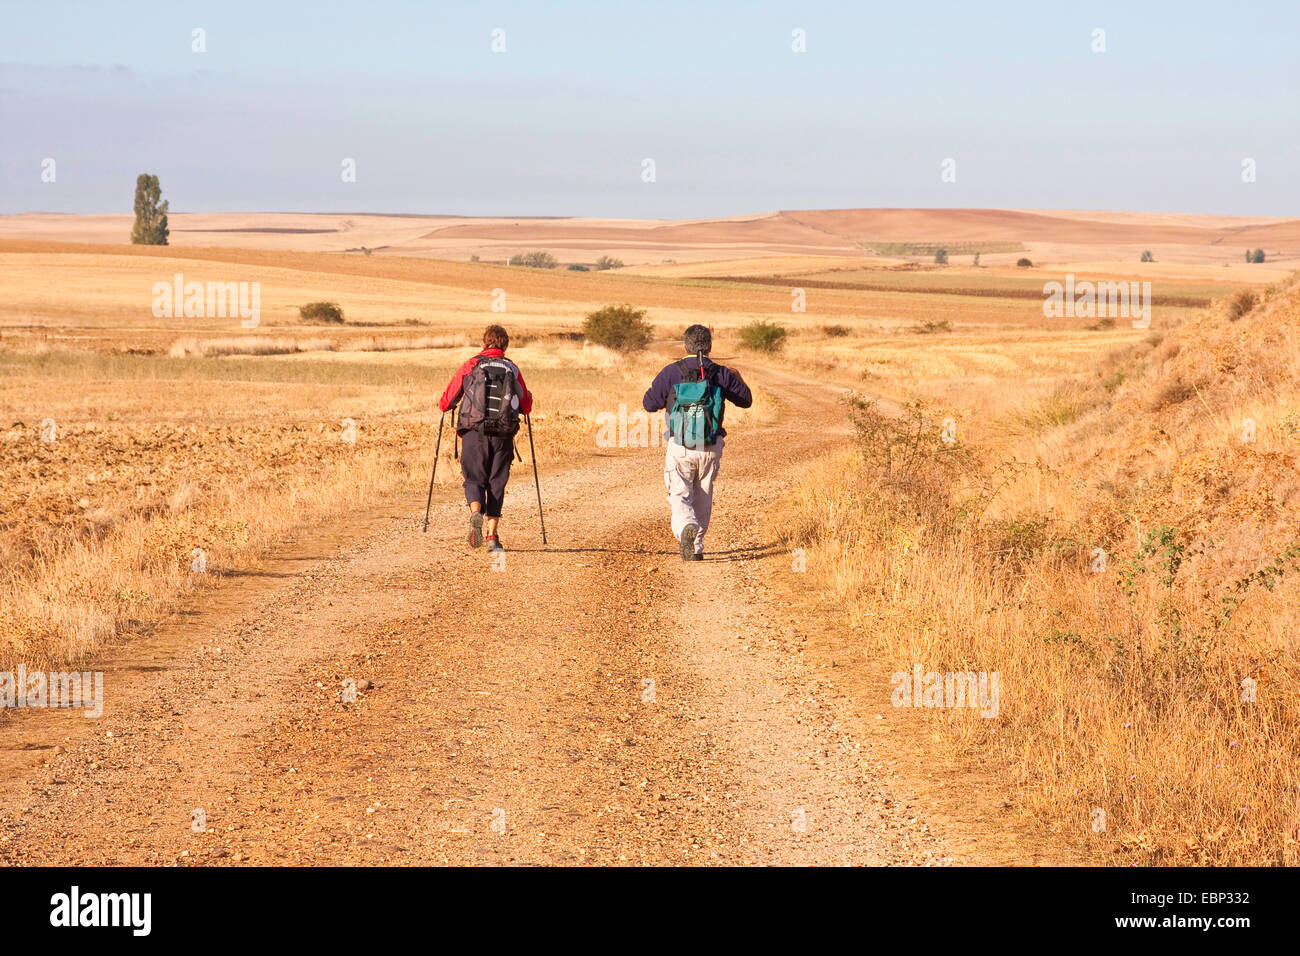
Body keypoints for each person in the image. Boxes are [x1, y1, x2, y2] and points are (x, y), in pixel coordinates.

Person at [642, 324, 752, 561]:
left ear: (685, 346)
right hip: (711, 446)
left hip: (680, 446)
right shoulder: (721, 373)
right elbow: (746, 400)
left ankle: (685, 530)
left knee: (679, 494)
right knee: (703, 493)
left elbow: (649, 404)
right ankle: (696, 547)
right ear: (710, 347)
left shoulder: (672, 372)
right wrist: (736, 375)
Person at [439, 324, 533, 553]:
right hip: (502, 434)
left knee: (474, 478)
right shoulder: (511, 367)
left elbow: (446, 401)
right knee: (496, 482)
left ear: (484, 344)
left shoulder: (472, 364)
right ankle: (491, 535)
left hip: (474, 433)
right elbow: (526, 406)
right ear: (505, 345)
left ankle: (474, 513)